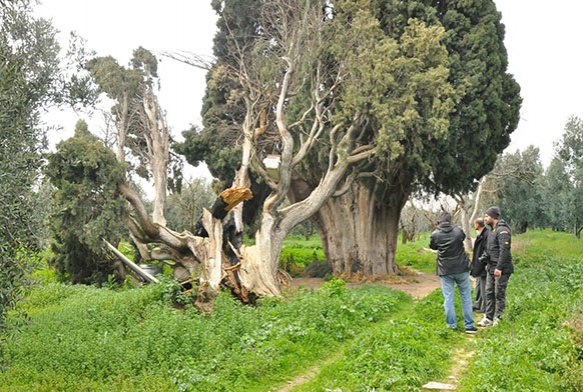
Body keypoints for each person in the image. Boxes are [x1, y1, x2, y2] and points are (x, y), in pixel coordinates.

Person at [430, 211, 478, 334]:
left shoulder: (435, 234)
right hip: (461, 268)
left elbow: (433, 247)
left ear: (439, 221)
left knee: (448, 298)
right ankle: (469, 326)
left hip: (445, 269)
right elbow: (462, 238)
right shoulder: (458, 231)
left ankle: (451, 325)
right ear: (450, 220)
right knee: (466, 297)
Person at [478, 206, 514, 327]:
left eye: (487, 216)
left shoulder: (503, 230)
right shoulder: (491, 231)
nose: (485, 218)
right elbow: (490, 249)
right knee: (489, 292)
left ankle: (499, 317)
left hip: (501, 269)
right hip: (491, 267)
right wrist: (488, 263)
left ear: (493, 217)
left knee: (499, 293)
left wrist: (499, 268)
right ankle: (489, 317)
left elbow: (504, 250)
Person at [470, 218, 489, 313]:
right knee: (478, 285)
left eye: (474, 223)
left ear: (478, 224)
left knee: (484, 286)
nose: (474, 225)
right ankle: (477, 304)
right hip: (478, 265)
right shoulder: (480, 235)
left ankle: (486, 307)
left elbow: (487, 250)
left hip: (482, 265)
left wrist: (485, 262)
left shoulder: (486, 234)